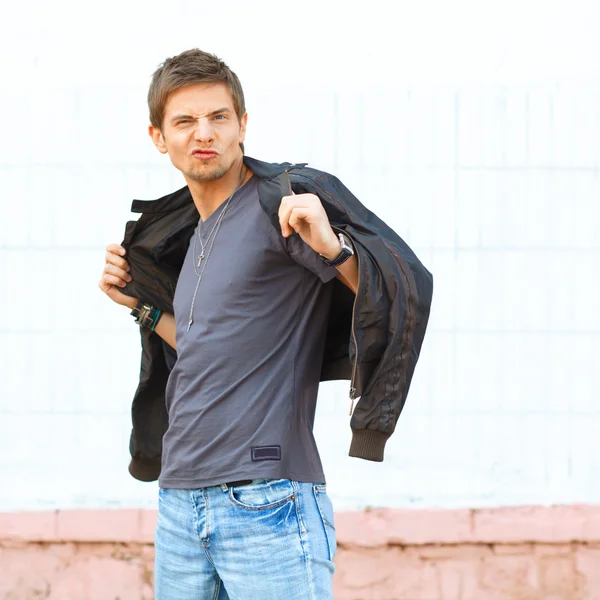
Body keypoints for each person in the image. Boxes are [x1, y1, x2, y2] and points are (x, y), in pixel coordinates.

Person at [99, 49, 433, 600]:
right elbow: (203, 345)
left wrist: (334, 247)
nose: (203, 132)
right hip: (181, 502)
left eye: (219, 117)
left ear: (242, 126)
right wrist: (139, 306)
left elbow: (387, 289)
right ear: (160, 137)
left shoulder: (278, 206)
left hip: (266, 503)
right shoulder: (196, 232)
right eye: (185, 121)